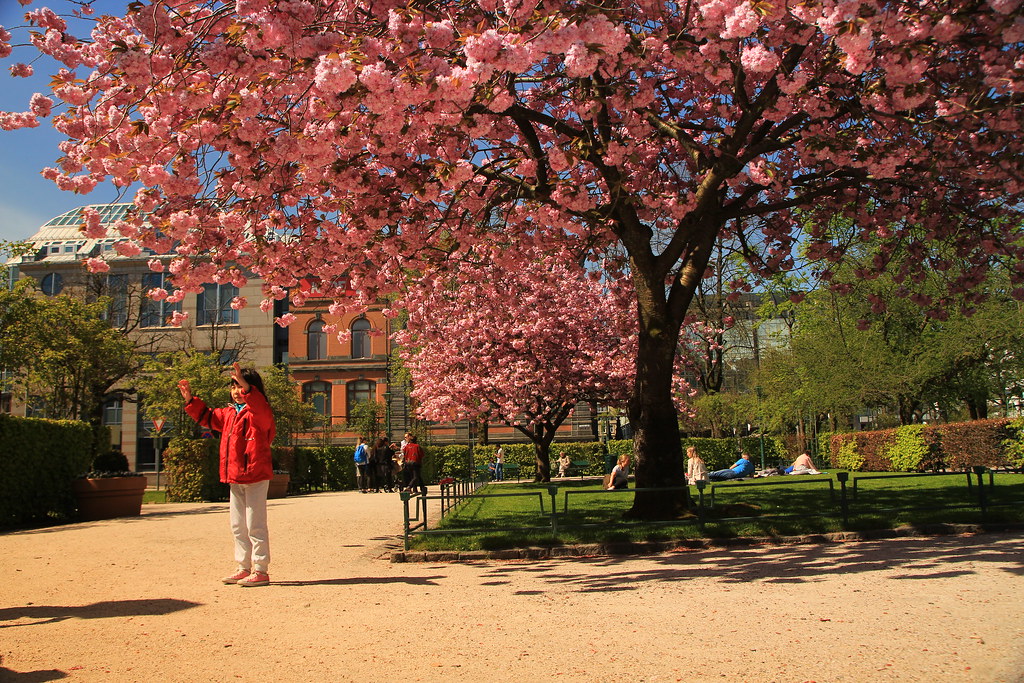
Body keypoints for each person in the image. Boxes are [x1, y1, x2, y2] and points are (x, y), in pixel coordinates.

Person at [179, 362, 276, 587]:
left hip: (255, 474)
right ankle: (243, 567)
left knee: (255, 525)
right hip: (235, 476)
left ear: (253, 389)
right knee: (238, 525)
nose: (236, 391)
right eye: (233, 387)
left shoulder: (259, 412)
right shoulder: (229, 413)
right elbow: (207, 417)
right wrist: (190, 400)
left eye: (241, 387)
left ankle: (261, 569)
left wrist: (247, 389)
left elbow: (259, 407)